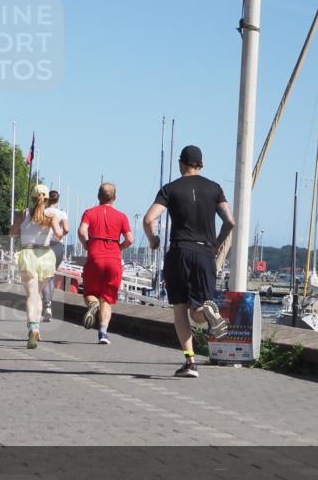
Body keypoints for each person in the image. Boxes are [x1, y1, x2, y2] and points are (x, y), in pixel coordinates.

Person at [142, 144, 235, 379]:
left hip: (179, 252)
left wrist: (153, 239)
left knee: (180, 310)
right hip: (205, 253)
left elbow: (148, 218)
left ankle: (190, 361)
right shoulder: (215, 189)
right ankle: (207, 311)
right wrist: (216, 244)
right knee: (197, 312)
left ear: (180, 163)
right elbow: (230, 221)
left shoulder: (170, 189)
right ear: (201, 165)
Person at [9, 184, 67, 349]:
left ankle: (33, 327)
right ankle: (37, 328)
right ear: (47, 198)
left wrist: (21, 228)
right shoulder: (51, 215)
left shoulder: (24, 213)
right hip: (45, 256)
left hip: (28, 255)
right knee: (39, 295)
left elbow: (12, 234)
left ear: (32, 198)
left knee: (31, 295)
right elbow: (59, 234)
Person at [78, 183, 134, 345]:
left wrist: (87, 244)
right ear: (114, 198)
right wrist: (119, 247)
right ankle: (103, 334)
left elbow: (82, 231)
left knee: (90, 292)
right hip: (114, 258)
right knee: (107, 299)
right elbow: (130, 239)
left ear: (98, 196)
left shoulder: (89, 212)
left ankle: (93, 305)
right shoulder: (121, 216)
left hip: (95, 255)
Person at [41, 189, 70, 321]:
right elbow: (67, 229)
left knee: (43, 277)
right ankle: (48, 304)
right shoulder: (62, 213)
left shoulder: (44, 212)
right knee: (50, 276)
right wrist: (60, 236)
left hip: (45, 245)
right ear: (58, 200)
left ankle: (45, 305)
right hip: (57, 246)